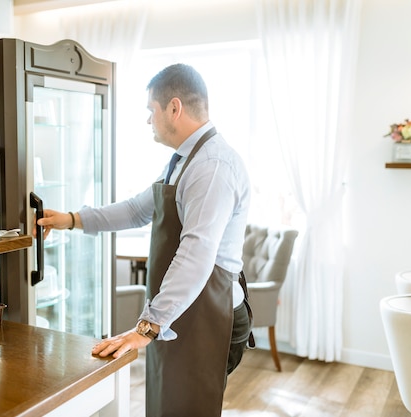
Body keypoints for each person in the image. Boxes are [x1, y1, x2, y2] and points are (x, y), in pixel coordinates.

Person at [37, 63, 252, 417]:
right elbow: (137, 210)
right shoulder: (183, 160)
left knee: (190, 408)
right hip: (184, 312)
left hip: (211, 314)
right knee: (170, 404)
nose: (148, 120)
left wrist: (149, 325)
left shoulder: (212, 166)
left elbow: (196, 255)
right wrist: (72, 220)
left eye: (150, 110)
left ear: (174, 108)